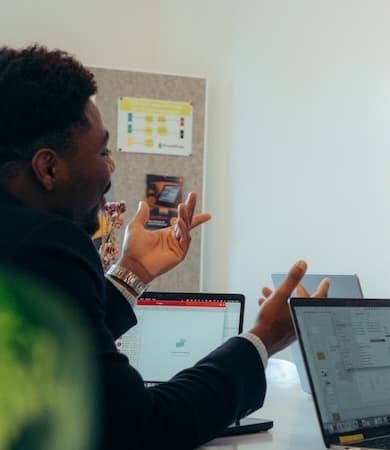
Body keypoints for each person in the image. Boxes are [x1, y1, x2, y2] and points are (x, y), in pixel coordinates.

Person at [0, 45, 329, 450]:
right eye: (102, 151)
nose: (110, 168)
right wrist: (262, 338)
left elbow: (57, 348)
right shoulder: (47, 243)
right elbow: (140, 430)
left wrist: (131, 273)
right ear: (48, 167)